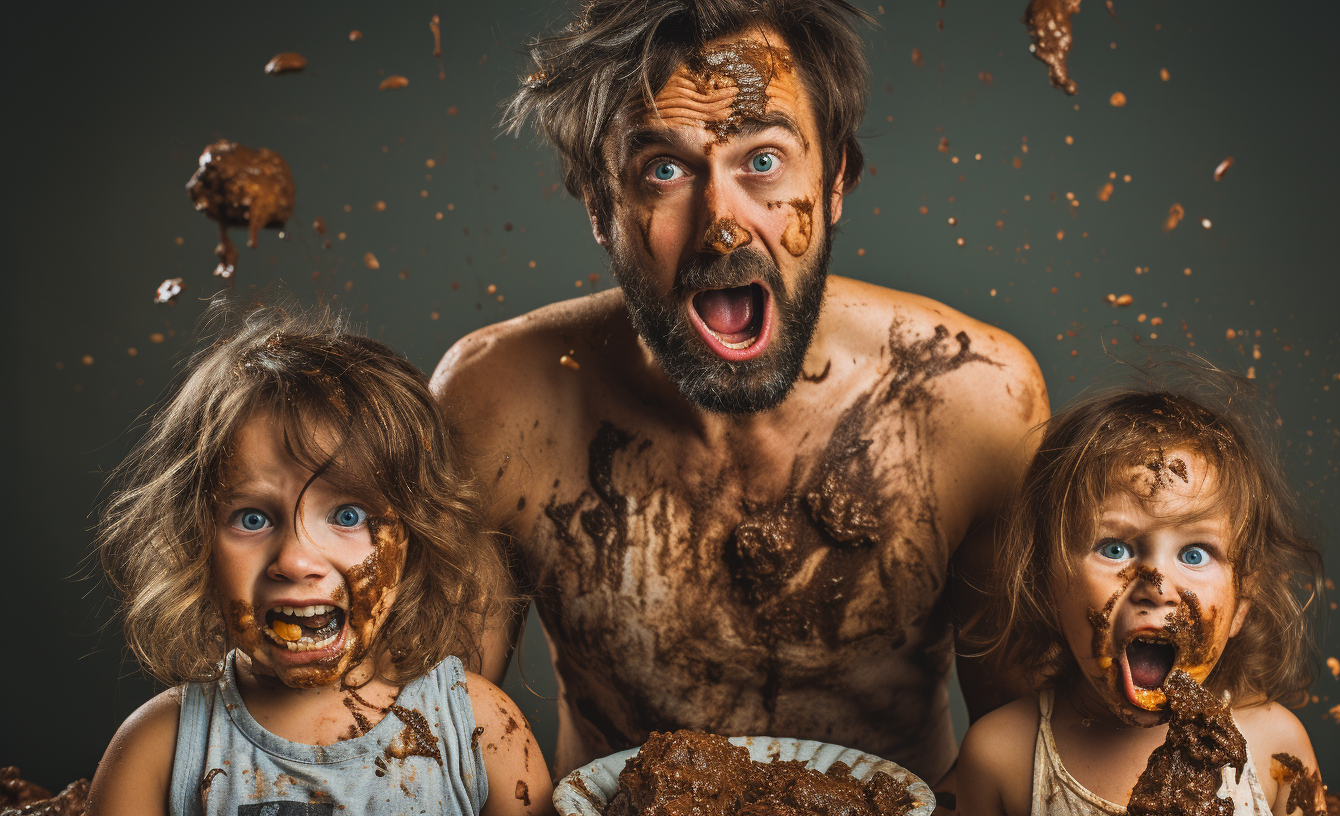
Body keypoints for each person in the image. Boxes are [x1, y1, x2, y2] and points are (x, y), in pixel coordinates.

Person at [432, 0, 1048, 785]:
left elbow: (1034, 760)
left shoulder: (974, 400)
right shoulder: (496, 404)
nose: (721, 223)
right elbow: (437, 747)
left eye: (762, 161)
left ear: (834, 183)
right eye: (663, 170)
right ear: (599, 205)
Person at [87, 304, 551, 816]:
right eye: (252, 519)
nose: (295, 559)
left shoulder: (482, 733)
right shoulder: (159, 752)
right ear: (196, 545)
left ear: (416, 540)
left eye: (348, 515)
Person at [954, 384, 1327, 815]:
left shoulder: (1276, 749)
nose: (1157, 584)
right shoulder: (1001, 757)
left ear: (1241, 605)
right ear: (1045, 584)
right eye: (1115, 548)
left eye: (1194, 554)